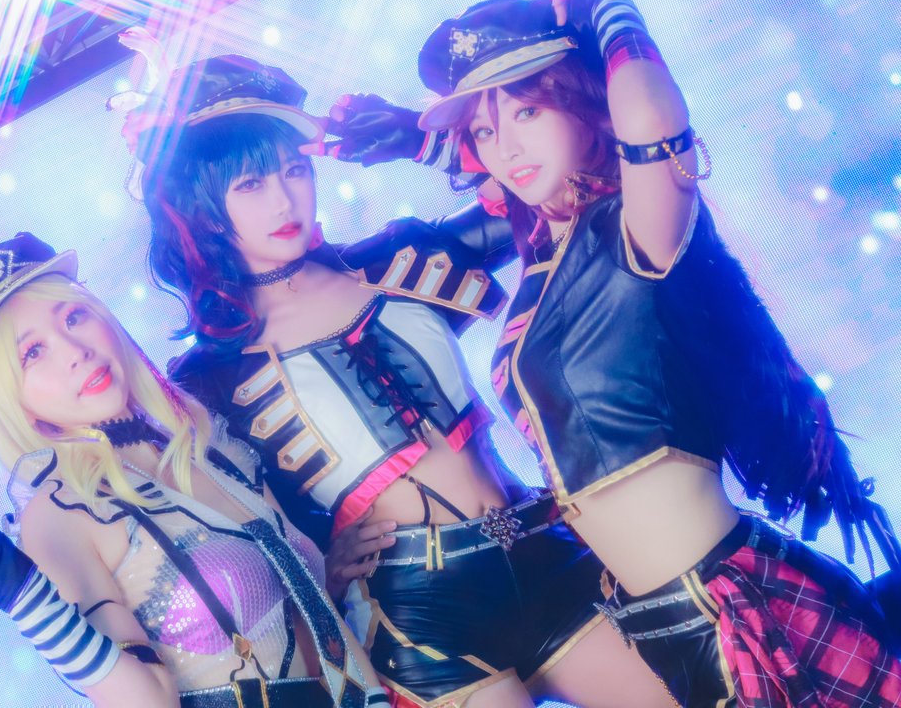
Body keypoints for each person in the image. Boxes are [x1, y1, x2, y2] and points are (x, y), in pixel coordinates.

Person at [324, 0, 901, 707]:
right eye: (486, 130)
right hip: (658, 631)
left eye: (528, 112)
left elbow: (652, 126)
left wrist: (610, 12)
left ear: (577, 99)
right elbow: (506, 179)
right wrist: (420, 139)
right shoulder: (547, 249)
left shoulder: (634, 224)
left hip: (737, 609)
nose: (504, 147)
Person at [128, 54, 673, 707]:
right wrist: (319, 564)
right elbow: (228, 535)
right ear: (203, 209)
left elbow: (557, 196)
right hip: (415, 612)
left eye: (295, 171)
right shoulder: (210, 378)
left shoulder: (398, 263)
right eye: (250, 185)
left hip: (541, 542)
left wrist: (424, 142)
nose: (283, 200)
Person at [0, 232, 384, 707]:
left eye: (73, 317)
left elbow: (306, 622)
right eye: (32, 352)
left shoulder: (202, 441)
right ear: (9, 396)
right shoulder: (56, 513)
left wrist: (328, 572)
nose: (76, 352)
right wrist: (24, 597)